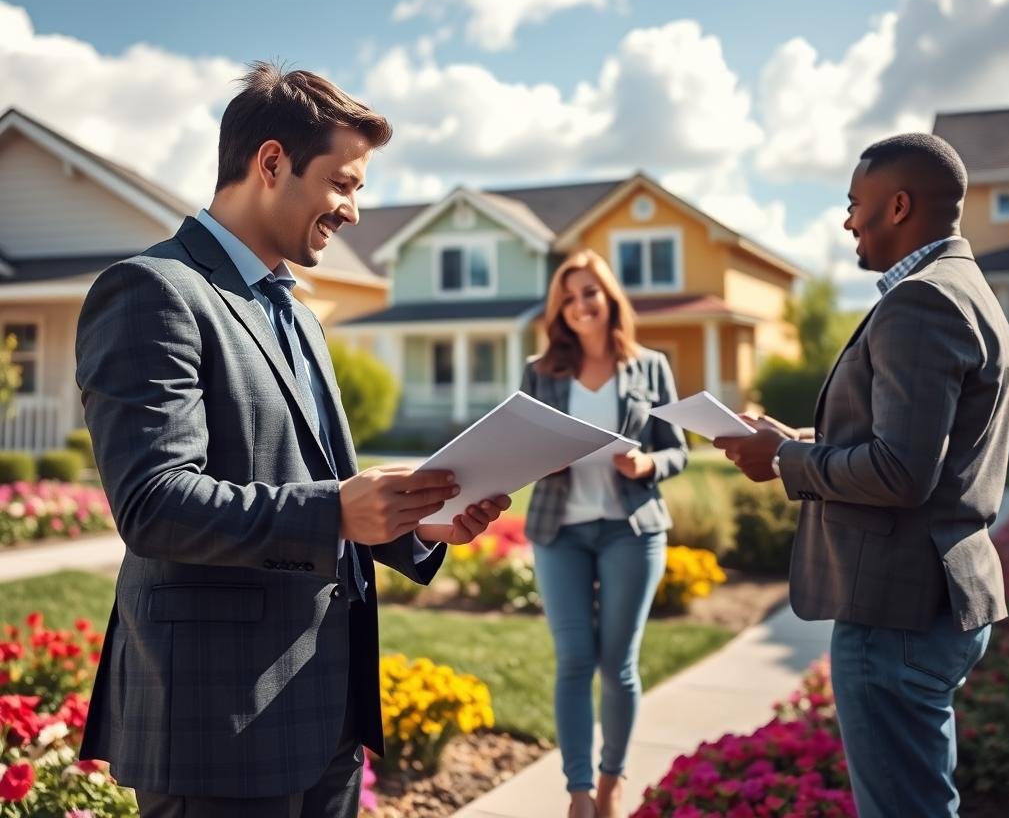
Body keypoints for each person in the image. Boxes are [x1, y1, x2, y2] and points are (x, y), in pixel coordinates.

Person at [75, 62, 511, 818]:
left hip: (325, 716)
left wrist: (416, 521)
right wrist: (337, 513)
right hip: (216, 726)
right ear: (272, 163)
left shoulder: (300, 314)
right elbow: (153, 503)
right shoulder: (153, 291)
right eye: (343, 184)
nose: (352, 212)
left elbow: (315, 477)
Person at [715, 133, 1009, 818]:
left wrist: (785, 464)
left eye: (856, 203)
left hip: (896, 611)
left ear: (899, 205)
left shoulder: (921, 302)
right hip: (936, 599)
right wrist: (795, 440)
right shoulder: (969, 292)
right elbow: (910, 446)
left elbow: (901, 473)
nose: (848, 219)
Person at [520, 249, 686, 818]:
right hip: (559, 531)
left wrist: (647, 466)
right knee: (573, 660)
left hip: (630, 531)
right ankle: (578, 792)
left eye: (589, 292)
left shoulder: (651, 367)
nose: (578, 305)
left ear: (609, 298)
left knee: (617, 663)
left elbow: (677, 451)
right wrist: (543, 459)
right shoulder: (541, 371)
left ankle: (613, 779)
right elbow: (521, 449)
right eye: (568, 297)